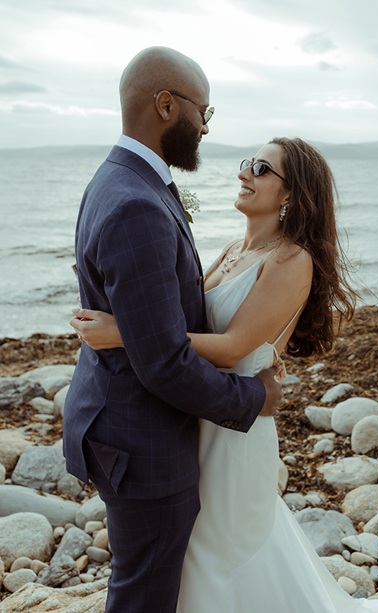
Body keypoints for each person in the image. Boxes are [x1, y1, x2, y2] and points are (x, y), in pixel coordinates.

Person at [72, 137, 378, 613]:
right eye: (247, 162)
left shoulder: (290, 259)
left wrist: (123, 332)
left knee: (224, 549)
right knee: (196, 548)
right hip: (201, 413)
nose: (245, 173)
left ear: (291, 195)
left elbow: (231, 348)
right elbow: (177, 321)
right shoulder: (230, 251)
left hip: (237, 428)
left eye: (261, 168)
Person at [64, 47, 283, 613]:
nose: (206, 129)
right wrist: (254, 396)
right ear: (166, 105)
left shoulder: (116, 179)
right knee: (143, 597)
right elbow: (163, 361)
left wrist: (126, 327)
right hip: (143, 443)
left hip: (120, 424)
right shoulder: (137, 201)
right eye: (202, 113)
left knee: (144, 584)